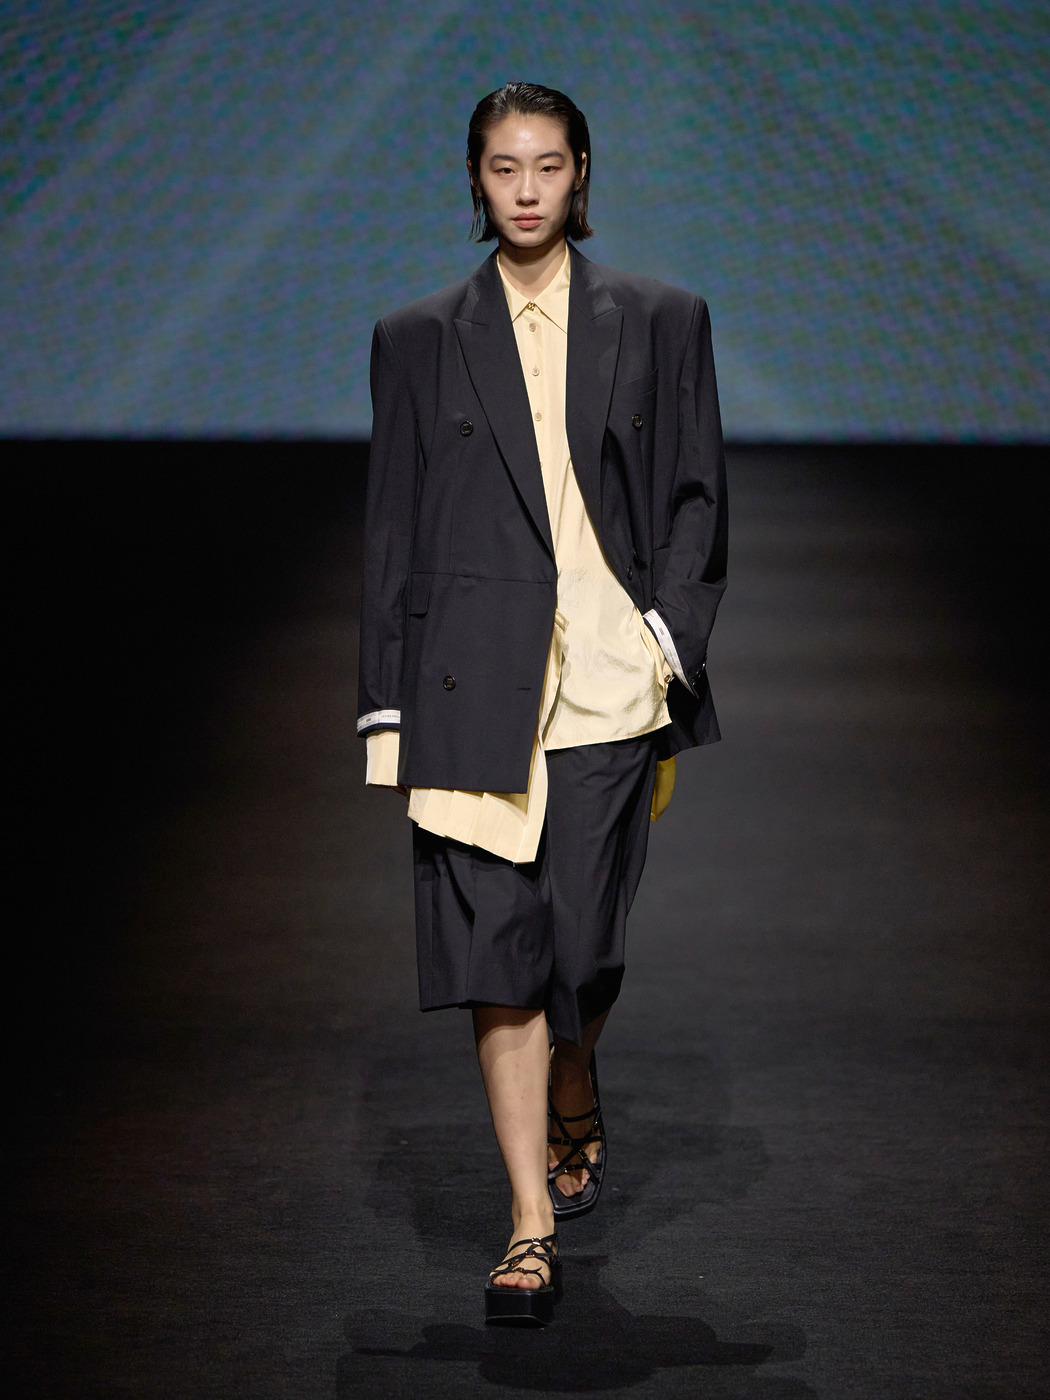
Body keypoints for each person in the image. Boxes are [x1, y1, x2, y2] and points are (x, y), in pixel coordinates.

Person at [358, 81, 727, 1325]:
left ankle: (577, 1070)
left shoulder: (662, 318)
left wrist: (670, 633)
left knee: (585, 946)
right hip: (471, 680)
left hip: (610, 676)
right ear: (475, 180)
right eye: (504, 167)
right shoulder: (418, 337)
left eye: (549, 165)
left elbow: (696, 492)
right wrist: (385, 707)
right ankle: (527, 1221)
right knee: (499, 955)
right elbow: (391, 530)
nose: (526, 189)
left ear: (582, 175)